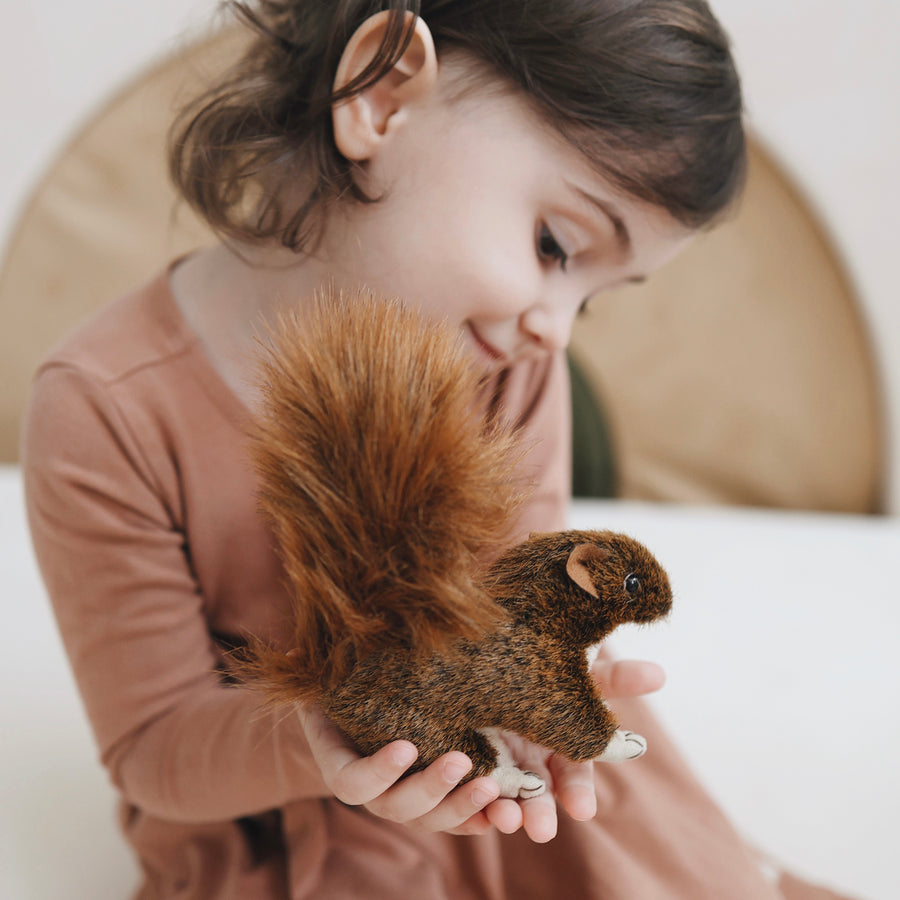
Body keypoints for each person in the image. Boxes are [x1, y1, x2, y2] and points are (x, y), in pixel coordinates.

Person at [21, 1, 854, 898]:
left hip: (489, 762)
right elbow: (153, 746)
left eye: (597, 298)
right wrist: (317, 738)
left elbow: (516, 600)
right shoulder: (104, 408)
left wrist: (542, 710)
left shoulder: (505, 364)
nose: (558, 330)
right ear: (380, 97)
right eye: (555, 244)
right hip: (272, 801)